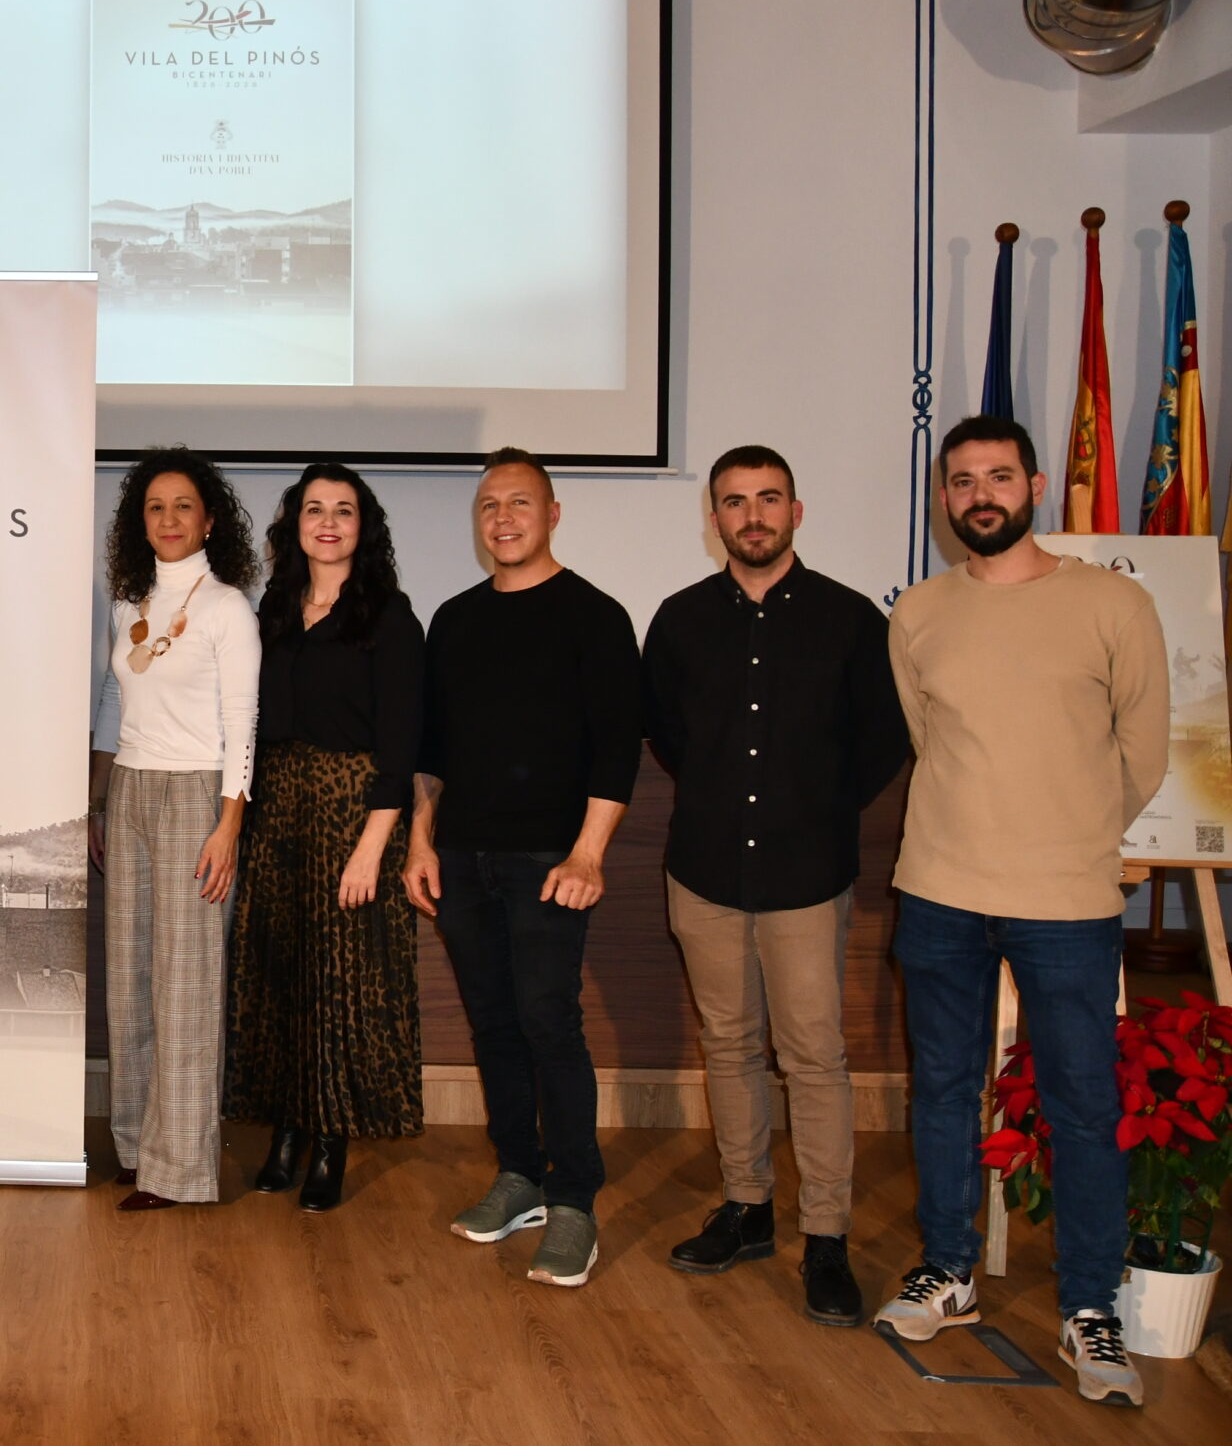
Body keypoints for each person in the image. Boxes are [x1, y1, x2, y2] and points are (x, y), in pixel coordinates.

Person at [873, 415, 1163, 1409]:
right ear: (944, 498)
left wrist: (1069, 834)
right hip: (940, 892)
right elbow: (931, 741)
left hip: (1066, 900)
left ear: (1035, 486)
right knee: (944, 1090)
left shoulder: (1113, 604)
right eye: (961, 481)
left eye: (998, 477)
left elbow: (1142, 754)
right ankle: (947, 1268)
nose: (979, 495)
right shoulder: (918, 614)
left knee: (1082, 1105)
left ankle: (1090, 1305)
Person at [641, 445, 908, 1327]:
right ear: (714, 517)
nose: (751, 515)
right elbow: (669, 735)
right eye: (734, 501)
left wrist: (814, 808)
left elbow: (881, 740)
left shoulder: (850, 619)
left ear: (796, 510)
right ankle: (747, 1206)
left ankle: (825, 1235)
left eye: (767, 498)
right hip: (706, 869)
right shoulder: (680, 620)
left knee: (814, 1055)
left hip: (806, 872)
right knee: (728, 1044)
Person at [405, 447, 638, 1288]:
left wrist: (588, 853)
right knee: (494, 1022)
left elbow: (616, 749)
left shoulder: (596, 615)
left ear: (552, 513)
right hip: (462, 857)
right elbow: (433, 751)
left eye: (519, 502)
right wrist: (421, 841)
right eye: (489, 505)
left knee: (549, 1022)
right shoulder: (454, 619)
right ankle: (520, 1176)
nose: (502, 518)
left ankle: (573, 1201)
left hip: (550, 861)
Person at [226, 464, 425, 1213]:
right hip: (277, 811)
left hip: (353, 814)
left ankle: (331, 1139)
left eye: (344, 510)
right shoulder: (272, 610)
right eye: (315, 509)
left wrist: (372, 848)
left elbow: (401, 746)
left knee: (341, 984)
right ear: (295, 526)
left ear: (363, 527)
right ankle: (287, 1128)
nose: (329, 522)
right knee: (280, 976)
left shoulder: (389, 615)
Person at [90, 448, 260, 1211]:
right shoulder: (128, 602)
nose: (169, 518)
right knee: (130, 979)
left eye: (183, 505)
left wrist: (229, 825)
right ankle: (137, 1146)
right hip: (130, 789)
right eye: (155, 506)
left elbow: (242, 721)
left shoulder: (226, 608)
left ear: (210, 519)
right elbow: (112, 702)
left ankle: (182, 1167)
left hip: (198, 794)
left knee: (185, 985)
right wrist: (98, 800)